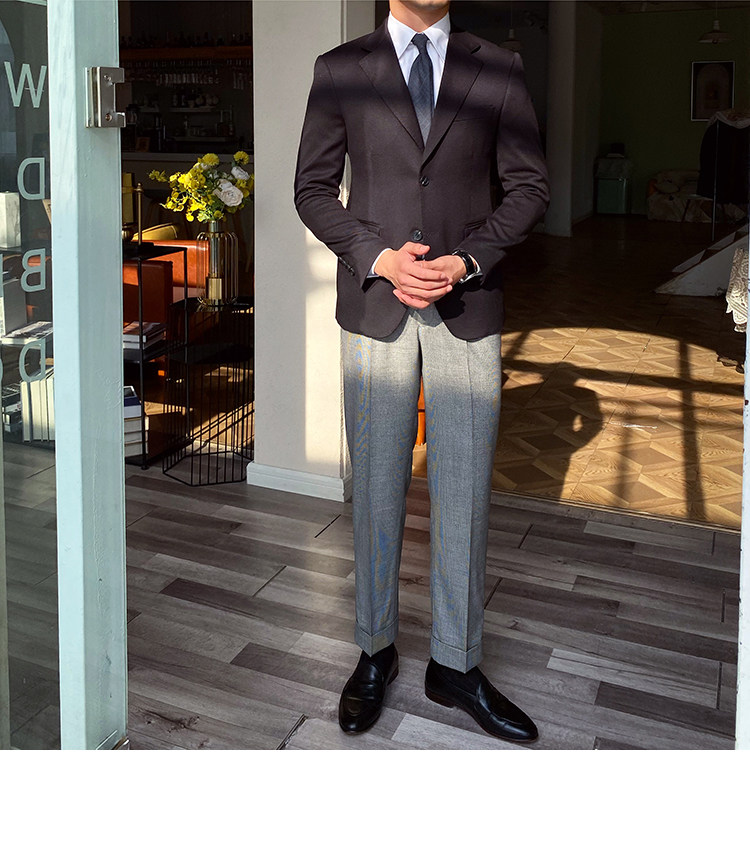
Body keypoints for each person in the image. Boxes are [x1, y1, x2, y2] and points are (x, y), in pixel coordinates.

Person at [294, 0, 549, 743]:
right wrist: (377, 257)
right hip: (375, 304)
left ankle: (456, 665)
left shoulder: (499, 68)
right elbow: (312, 188)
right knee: (376, 485)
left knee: (464, 489)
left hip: (467, 305)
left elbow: (530, 187)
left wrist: (467, 260)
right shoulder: (340, 69)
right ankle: (374, 650)